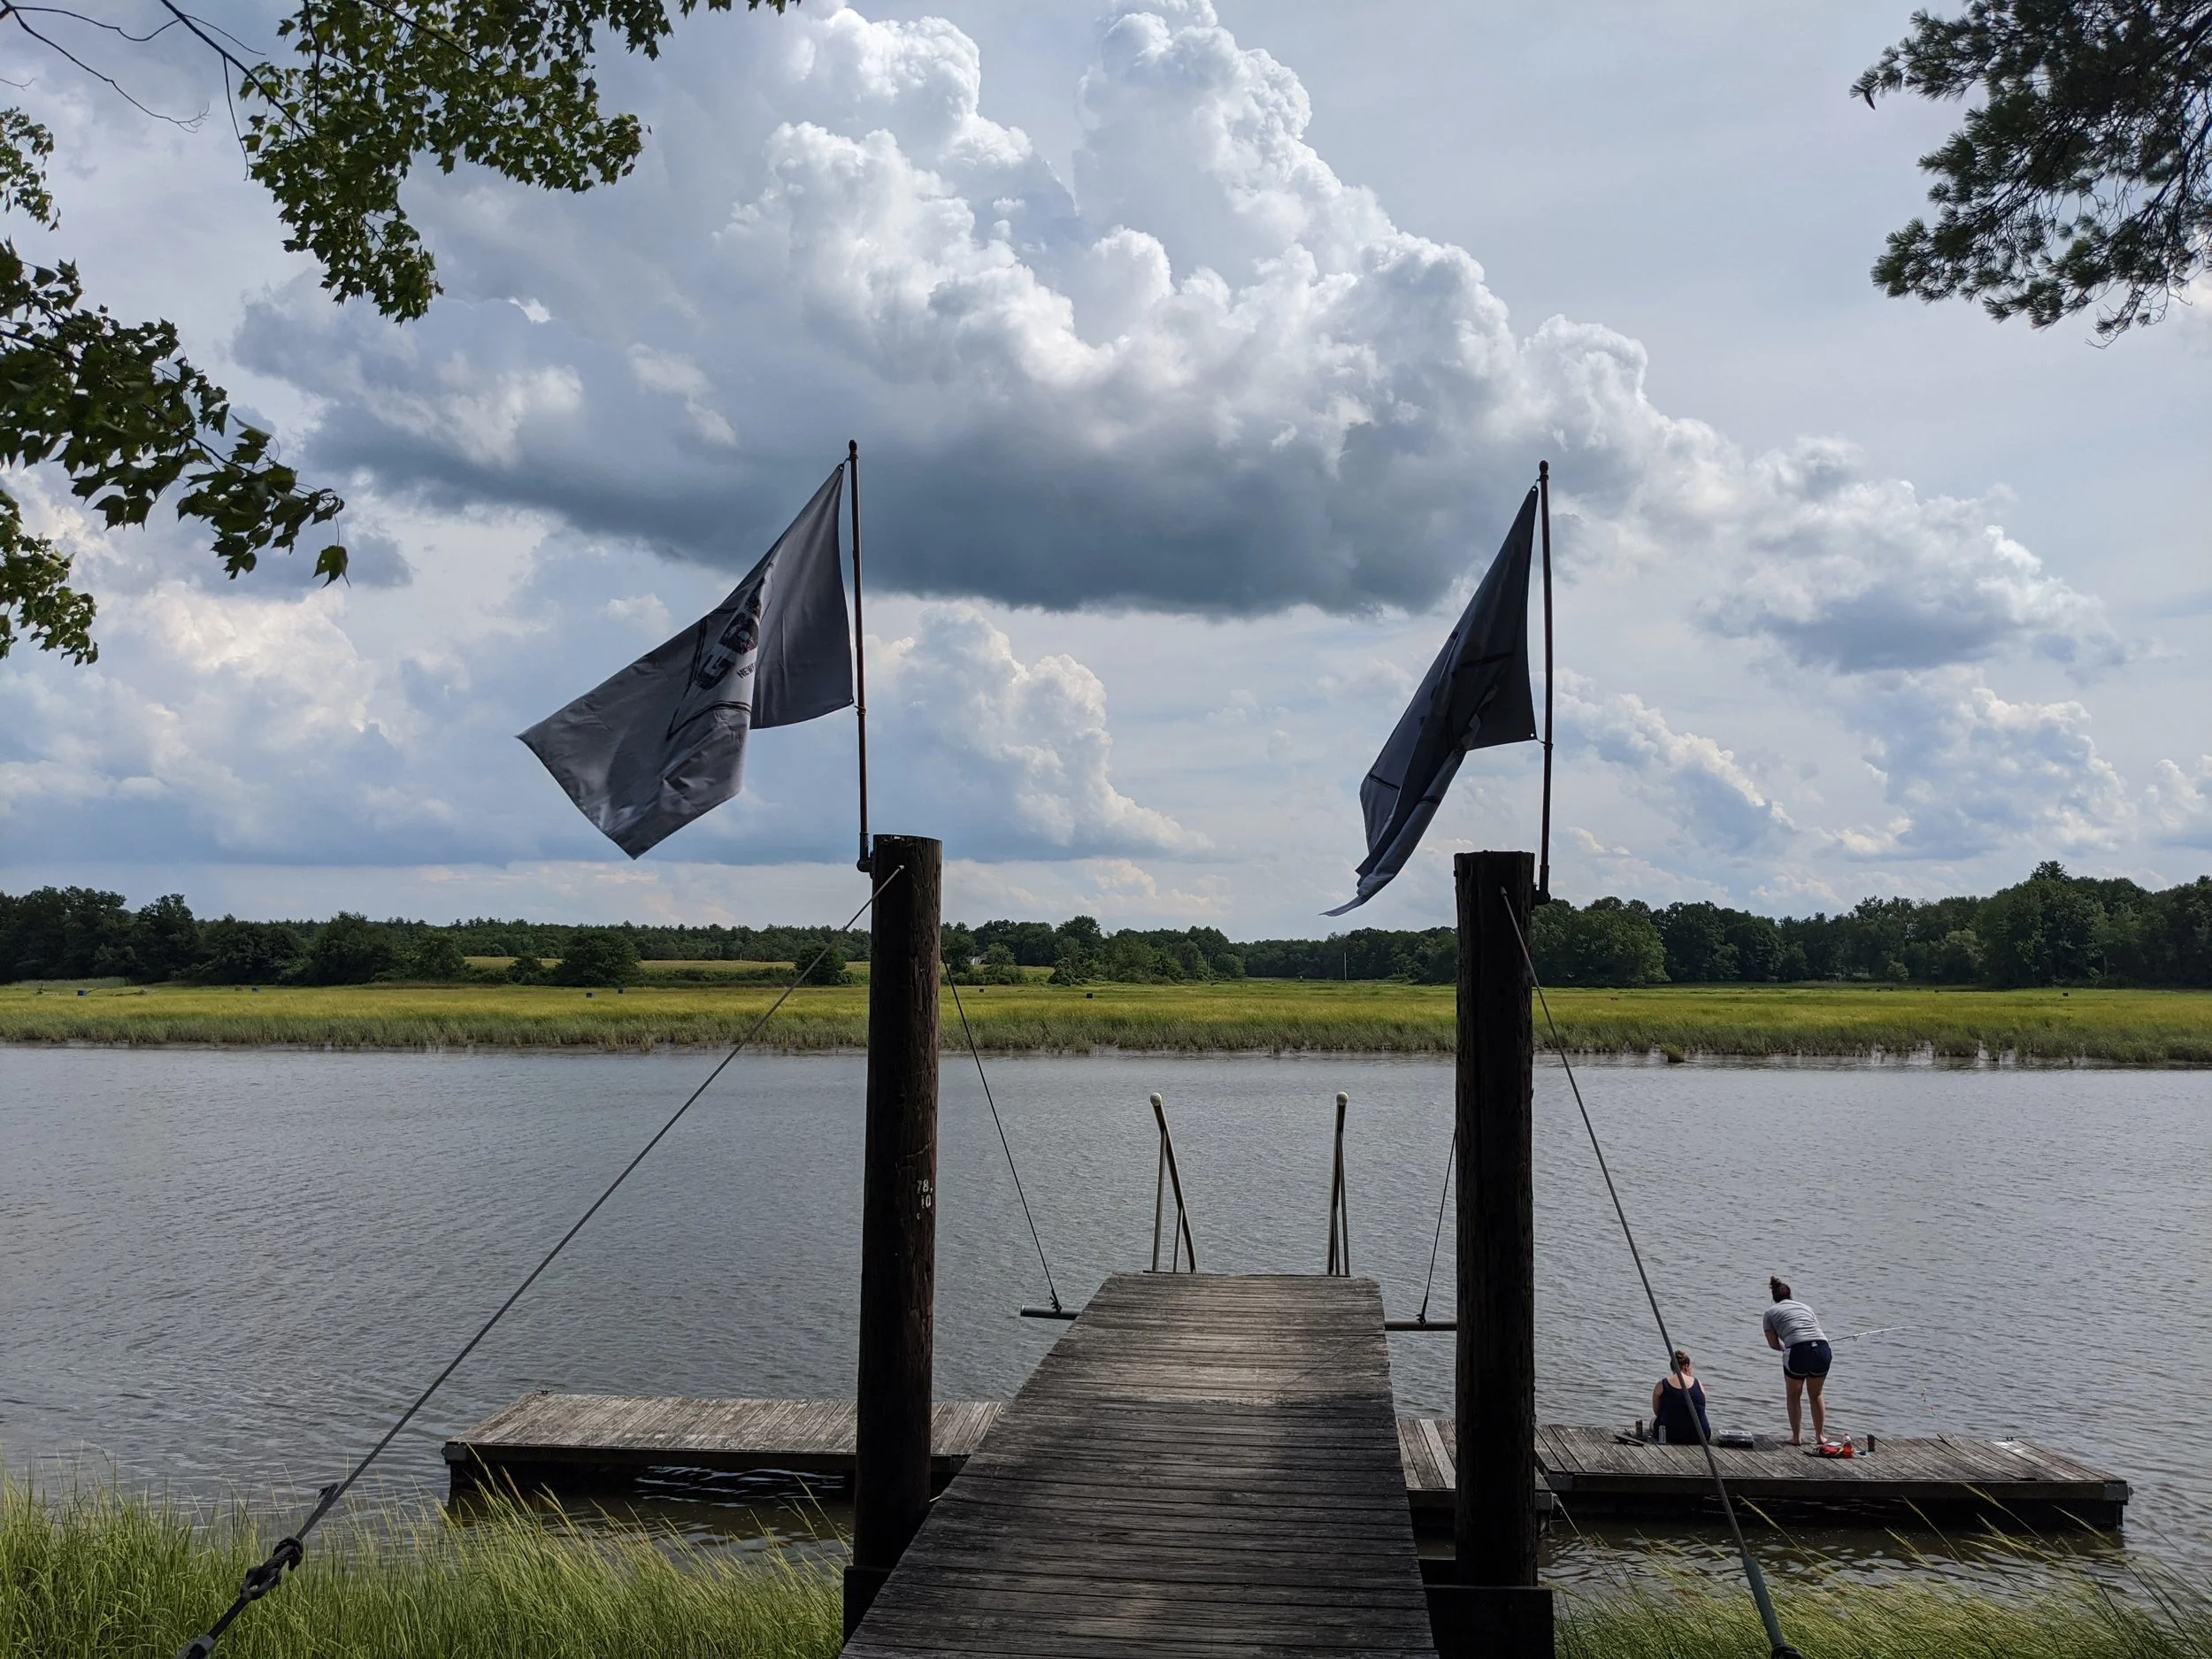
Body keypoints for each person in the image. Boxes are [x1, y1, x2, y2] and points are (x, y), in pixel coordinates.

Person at [1763, 1275, 1833, 1446]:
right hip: (1822, 1349)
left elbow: (1773, 1344)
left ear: (1774, 1297)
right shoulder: (1807, 1308)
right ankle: (1820, 1436)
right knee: (1816, 1394)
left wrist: (1785, 1348)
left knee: (1794, 1395)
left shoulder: (1770, 1313)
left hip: (1797, 1351)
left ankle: (1796, 1437)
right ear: (1790, 1295)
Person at [1651, 1348, 1710, 1446]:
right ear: (1686, 1366)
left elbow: (1657, 1412)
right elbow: (1701, 1409)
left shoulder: (1662, 1384)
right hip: (1700, 1436)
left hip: (1671, 1435)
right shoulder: (1698, 1384)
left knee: (1653, 1421)